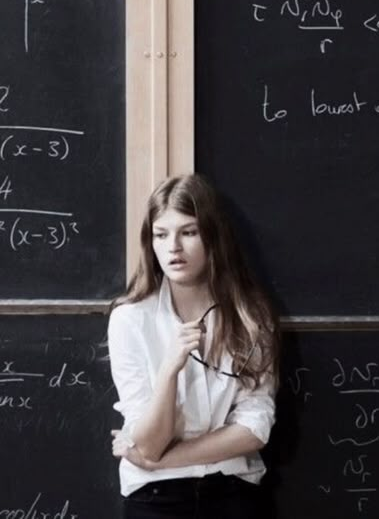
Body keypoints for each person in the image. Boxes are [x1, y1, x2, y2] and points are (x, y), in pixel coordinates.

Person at [107, 173, 280, 518]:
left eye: (188, 232)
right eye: (161, 234)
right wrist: (170, 369)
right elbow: (149, 442)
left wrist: (162, 460)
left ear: (213, 237)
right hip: (155, 497)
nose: (173, 247)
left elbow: (254, 429)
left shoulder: (248, 315)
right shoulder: (130, 319)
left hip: (232, 489)